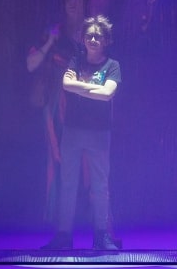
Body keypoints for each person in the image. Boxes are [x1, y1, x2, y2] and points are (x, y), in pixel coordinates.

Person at [44, 15, 121, 251]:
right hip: (73, 131)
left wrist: (80, 88)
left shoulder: (112, 66)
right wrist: (93, 89)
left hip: (99, 133)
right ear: (83, 38)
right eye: (89, 35)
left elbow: (107, 94)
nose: (93, 39)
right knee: (68, 182)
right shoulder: (76, 61)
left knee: (100, 184)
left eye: (98, 36)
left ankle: (101, 236)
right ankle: (64, 235)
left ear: (106, 40)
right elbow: (66, 85)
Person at [26, 0, 91, 222]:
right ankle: (60, 220)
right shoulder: (54, 32)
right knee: (59, 158)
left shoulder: (93, 32)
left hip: (86, 104)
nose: (73, 3)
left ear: (85, 2)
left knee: (87, 159)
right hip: (56, 106)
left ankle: (87, 216)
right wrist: (50, 42)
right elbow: (30, 64)